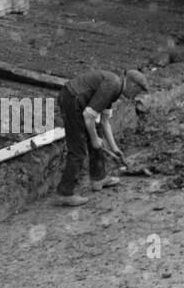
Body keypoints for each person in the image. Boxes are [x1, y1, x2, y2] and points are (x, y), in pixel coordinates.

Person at [56, 68, 148, 206]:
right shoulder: (113, 85)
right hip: (71, 100)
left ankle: (99, 178)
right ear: (133, 85)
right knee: (78, 149)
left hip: (77, 100)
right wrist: (93, 140)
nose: (135, 96)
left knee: (97, 132)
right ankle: (65, 193)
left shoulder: (115, 88)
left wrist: (115, 148)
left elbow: (104, 121)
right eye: (138, 92)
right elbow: (88, 117)